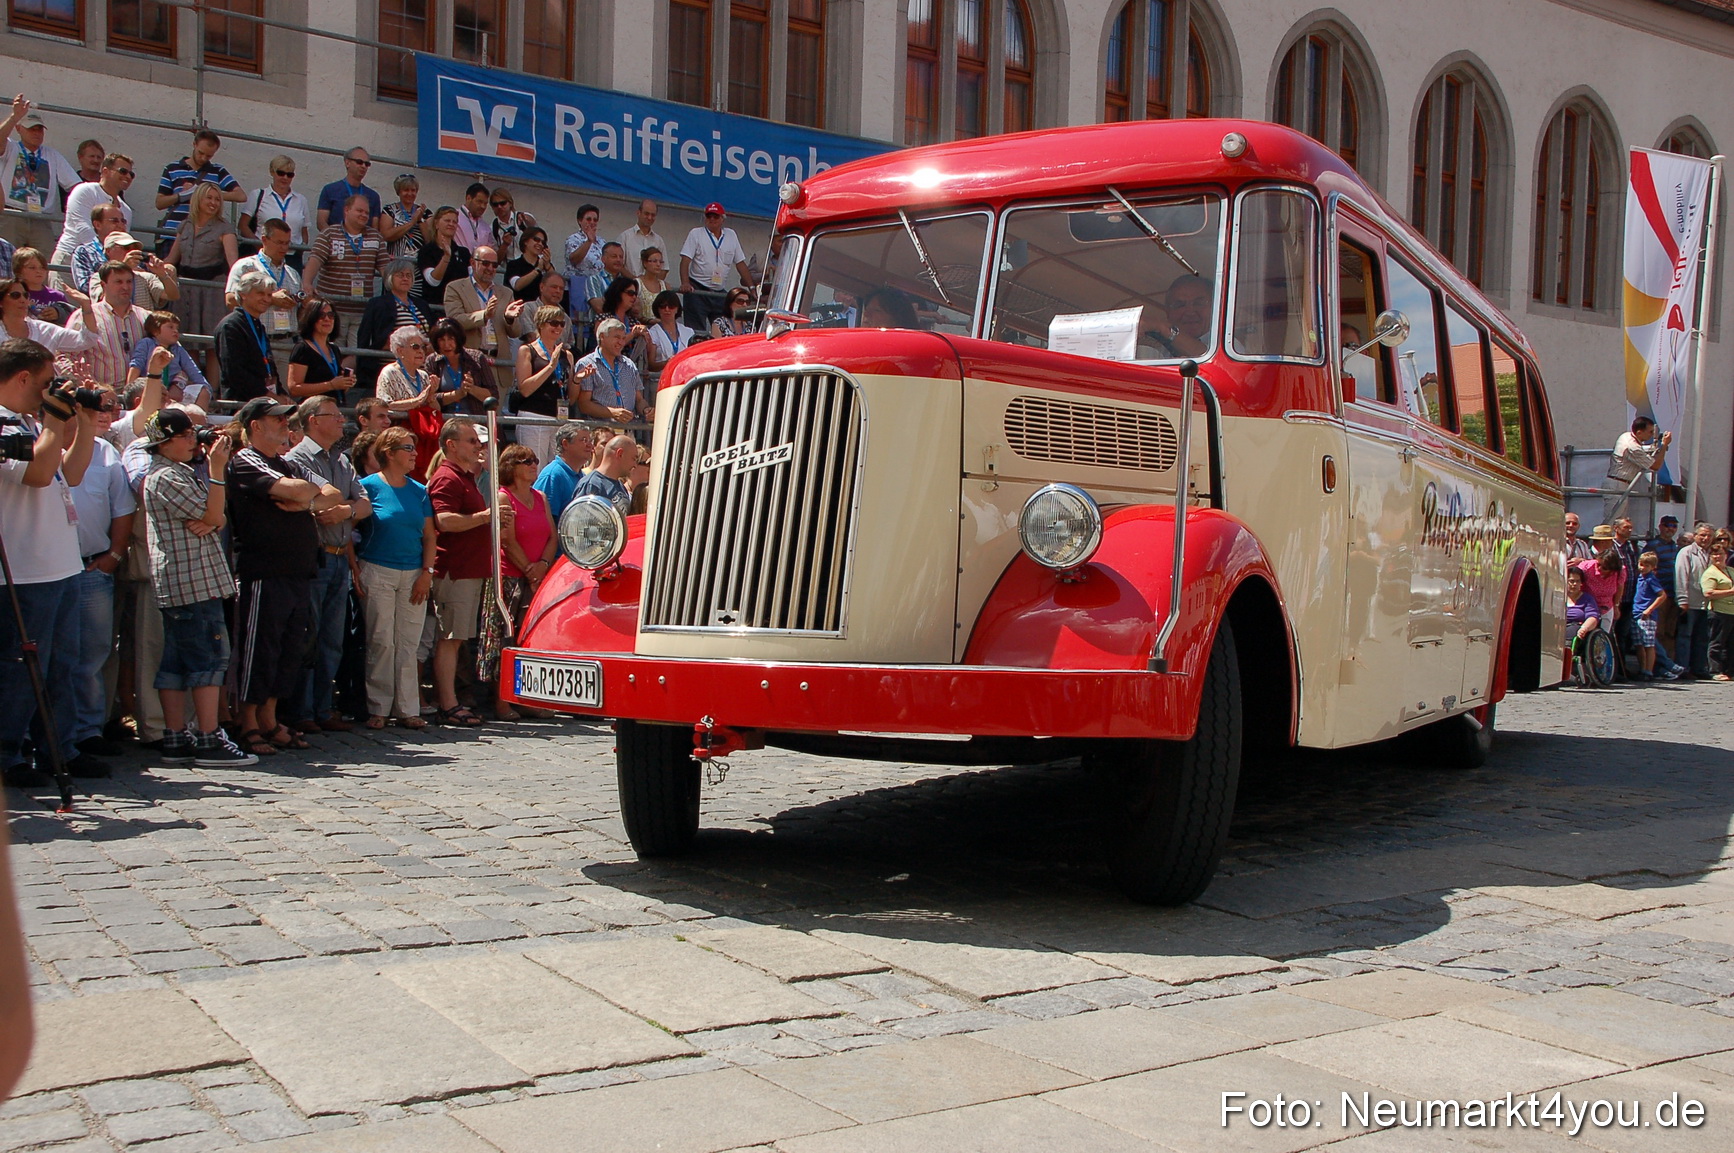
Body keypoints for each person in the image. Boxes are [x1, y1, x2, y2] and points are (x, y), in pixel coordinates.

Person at [0, 338, 104, 785]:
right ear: (23, 378)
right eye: (47, 383)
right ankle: (10, 755)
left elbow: (71, 471)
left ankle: (59, 749)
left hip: (61, 565)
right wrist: (51, 420)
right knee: (22, 671)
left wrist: (82, 420)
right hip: (24, 570)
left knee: (63, 667)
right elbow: (39, 474)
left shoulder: (31, 422)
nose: (52, 390)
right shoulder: (5, 427)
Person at [137, 409, 257, 766]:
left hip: (187, 580)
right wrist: (218, 471)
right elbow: (213, 516)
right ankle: (208, 737)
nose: (194, 441)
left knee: (175, 662)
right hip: (192, 582)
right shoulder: (166, 477)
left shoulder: (178, 473)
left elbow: (211, 516)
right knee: (209, 659)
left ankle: (176, 736)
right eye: (186, 436)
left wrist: (211, 509)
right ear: (165, 442)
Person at [227, 396, 346, 757]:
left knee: (289, 650)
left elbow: (332, 494)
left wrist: (303, 503)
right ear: (255, 427)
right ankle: (247, 722)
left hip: (298, 570)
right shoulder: (246, 460)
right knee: (260, 649)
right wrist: (306, 498)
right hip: (264, 571)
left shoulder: (283, 462)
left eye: (285, 419)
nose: (284, 425)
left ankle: (270, 718)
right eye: (276, 420)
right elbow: (302, 491)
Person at [285, 394, 371, 733]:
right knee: (308, 635)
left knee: (332, 639)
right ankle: (301, 710)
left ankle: (322, 708)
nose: (341, 420)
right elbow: (314, 505)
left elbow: (363, 505)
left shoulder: (341, 460)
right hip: (314, 557)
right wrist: (343, 505)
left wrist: (345, 511)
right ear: (312, 420)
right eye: (332, 415)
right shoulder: (295, 459)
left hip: (338, 559)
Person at [65, 384, 135, 759]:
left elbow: (122, 508)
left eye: (107, 406)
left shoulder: (105, 450)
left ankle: (88, 730)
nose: (100, 411)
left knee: (94, 654)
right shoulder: (35, 439)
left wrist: (114, 554)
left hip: (93, 564)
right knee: (47, 654)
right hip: (44, 568)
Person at [354, 425, 435, 728]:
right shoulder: (368, 486)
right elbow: (352, 532)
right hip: (378, 570)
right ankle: (379, 707)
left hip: (414, 572)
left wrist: (427, 572)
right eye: (408, 448)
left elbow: (429, 536)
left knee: (408, 642)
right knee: (381, 640)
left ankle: (408, 708)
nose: (415, 453)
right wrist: (354, 565)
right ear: (389, 453)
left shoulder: (419, 490)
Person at [480, 443, 557, 719]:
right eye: (526, 460)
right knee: (505, 638)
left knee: (529, 639)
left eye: (535, 460)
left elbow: (552, 535)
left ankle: (528, 696)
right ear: (510, 466)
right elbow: (507, 541)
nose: (533, 464)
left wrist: (543, 567)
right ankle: (502, 699)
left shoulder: (540, 497)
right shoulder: (504, 498)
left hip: (536, 578)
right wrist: (529, 570)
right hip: (510, 577)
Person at [428, 419, 492, 727]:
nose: (477, 445)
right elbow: (445, 521)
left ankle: (451, 701)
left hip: (469, 570)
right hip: (455, 570)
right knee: (450, 639)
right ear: (451, 445)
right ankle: (448, 704)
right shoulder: (447, 478)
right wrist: (484, 517)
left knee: (457, 640)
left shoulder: (463, 477)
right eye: (470, 440)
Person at [165, 181, 239, 345]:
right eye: (209, 198)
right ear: (198, 199)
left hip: (211, 291)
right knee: (187, 342)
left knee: (212, 343)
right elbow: (171, 259)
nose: (214, 203)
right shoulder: (185, 225)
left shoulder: (225, 228)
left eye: (217, 199)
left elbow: (234, 264)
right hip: (184, 290)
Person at [303, 193, 391, 330]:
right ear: (346, 210)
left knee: (356, 351)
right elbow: (315, 259)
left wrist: (396, 288)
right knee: (333, 350)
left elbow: (385, 268)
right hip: (332, 311)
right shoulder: (329, 234)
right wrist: (306, 283)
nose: (364, 215)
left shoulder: (376, 237)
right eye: (359, 211)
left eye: (367, 212)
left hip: (362, 311)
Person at [153, 128, 246, 258]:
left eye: (209, 156)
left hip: (202, 237)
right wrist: (181, 195)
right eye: (200, 153)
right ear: (194, 144)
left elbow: (240, 196)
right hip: (172, 234)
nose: (203, 158)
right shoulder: (172, 168)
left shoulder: (217, 171)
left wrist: (207, 193)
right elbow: (159, 203)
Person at [3, 103, 81, 247]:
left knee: (44, 262)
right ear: (19, 129)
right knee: (8, 261)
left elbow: (76, 186)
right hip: (11, 215)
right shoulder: (11, 147)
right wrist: (14, 117)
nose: (36, 133)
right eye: (31, 129)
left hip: (41, 218)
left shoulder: (52, 155)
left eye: (39, 129)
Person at [513, 306, 581, 463]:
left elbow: (571, 398)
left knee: (556, 470)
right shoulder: (527, 350)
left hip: (559, 418)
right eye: (553, 323)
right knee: (534, 469)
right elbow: (525, 389)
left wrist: (577, 379)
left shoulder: (567, 355)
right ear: (541, 324)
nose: (558, 328)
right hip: (534, 416)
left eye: (561, 324)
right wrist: (551, 366)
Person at [52, 151, 134, 277]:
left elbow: (121, 241)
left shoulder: (126, 210)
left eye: (131, 174)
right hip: (70, 259)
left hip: (105, 267)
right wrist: (104, 259)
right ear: (105, 171)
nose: (128, 176)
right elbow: (83, 229)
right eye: (123, 171)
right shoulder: (84, 191)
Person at [355, 258, 432, 392]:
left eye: (408, 275)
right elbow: (366, 337)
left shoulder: (421, 305)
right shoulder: (378, 304)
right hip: (393, 369)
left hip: (422, 370)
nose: (405, 279)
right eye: (400, 275)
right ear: (390, 278)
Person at [679, 203, 754, 332]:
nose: (712, 219)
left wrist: (752, 288)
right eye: (709, 216)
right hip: (697, 289)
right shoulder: (696, 233)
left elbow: (740, 264)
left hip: (719, 292)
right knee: (695, 332)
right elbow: (685, 260)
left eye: (716, 216)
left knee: (724, 329)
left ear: (722, 219)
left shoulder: (731, 235)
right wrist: (685, 283)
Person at [224, 219, 302, 341]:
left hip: (288, 342)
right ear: (264, 240)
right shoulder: (246, 266)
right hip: (255, 339)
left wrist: (307, 302)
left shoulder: (293, 274)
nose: (284, 248)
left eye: (287, 243)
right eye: (279, 242)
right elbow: (230, 300)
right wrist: (272, 299)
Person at [213, 270, 286, 401]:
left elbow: (269, 367)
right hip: (241, 404)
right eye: (260, 293)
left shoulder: (258, 326)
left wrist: (281, 394)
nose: (266, 299)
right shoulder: (231, 326)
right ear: (243, 294)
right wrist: (269, 396)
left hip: (264, 401)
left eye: (269, 295)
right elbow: (235, 372)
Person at [442, 244, 515, 359]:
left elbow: (516, 332)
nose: (490, 268)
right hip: (470, 361)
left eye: (494, 265)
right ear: (472, 263)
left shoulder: (506, 293)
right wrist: (484, 315)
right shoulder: (455, 288)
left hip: (499, 364)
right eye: (485, 263)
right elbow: (454, 321)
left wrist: (509, 319)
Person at [2, 272, 97, 360]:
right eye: (15, 295)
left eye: (25, 295)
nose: (23, 300)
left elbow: (86, 340)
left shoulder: (44, 330)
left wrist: (86, 306)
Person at [239, 156, 313, 268]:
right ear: (272, 172)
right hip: (263, 254)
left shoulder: (301, 200)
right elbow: (243, 225)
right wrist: (258, 244)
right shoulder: (258, 195)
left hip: (291, 257)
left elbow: (304, 231)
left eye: (289, 174)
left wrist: (300, 250)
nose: (285, 177)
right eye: (281, 173)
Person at [127, 311, 210, 407]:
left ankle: (197, 420)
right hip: (150, 389)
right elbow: (136, 365)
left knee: (203, 392)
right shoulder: (146, 344)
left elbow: (193, 371)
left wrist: (205, 387)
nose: (175, 331)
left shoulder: (178, 349)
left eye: (177, 328)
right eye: (170, 327)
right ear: (155, 330)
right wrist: (129, 391)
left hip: (174, 393)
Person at [578, 318, 648, 427]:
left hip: (627, 432)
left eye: (623, 338)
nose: (621, 342)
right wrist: (612, 413)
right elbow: (584, 404)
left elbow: (639, 399)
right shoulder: (587, 364)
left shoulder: (629, 365)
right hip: (600, 433)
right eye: (616, 337)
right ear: (602, 337)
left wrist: (646, 410)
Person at [286, 299, 355, 402]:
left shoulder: (334, 349)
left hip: (334, 407)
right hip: (313, 410)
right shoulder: (303, 348)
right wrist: (330, 385)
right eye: (321, 315)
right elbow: (294, 388)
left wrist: (346, 382)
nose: (327, 319)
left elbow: (338, 388)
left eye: (331, 315)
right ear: (311, 318)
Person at [1604, 416, 1671, 523]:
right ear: (1639, 433)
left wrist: (1654, 447)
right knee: (1613, 520)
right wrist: (1663, 446)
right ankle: (1605, 539)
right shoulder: (1633, 448)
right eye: (1650, 432)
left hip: (1620, 483)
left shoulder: (1625, 436)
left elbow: (1641, 449)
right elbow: (1655, 466)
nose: (1651, 435)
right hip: (1618, 484)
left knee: (1620, 521)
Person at [428, 317, 498, 416]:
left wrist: (471, 388)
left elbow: (494, 395)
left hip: (476, 421)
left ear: (458, 339)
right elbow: (429, 397)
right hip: (445, 422)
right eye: (442, 340)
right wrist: (458, 394)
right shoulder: (432, 361)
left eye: (451, 339)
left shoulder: (476, 358)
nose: (446, 344)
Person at [93, 231, 180, 311]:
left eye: (135, 248)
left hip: (140, 326)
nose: (131, 251)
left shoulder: (146, 277)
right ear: (108, 251)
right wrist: (124, 267)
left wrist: (162, 274)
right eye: (126, 247)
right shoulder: (98, 277)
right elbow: (101, 301)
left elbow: (173, 296)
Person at [1676, 521, 1716, 678]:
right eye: (1702, 535)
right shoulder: (1686, 552)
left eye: (1709, 536)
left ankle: (1699, 668)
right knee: (1685, 636)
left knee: (1702, 638)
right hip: (1689, 602)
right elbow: (1681, 576)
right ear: (1695, 536)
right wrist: (1682, 599)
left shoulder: (1711, 553)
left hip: (1706, 604)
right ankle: (1683, 668)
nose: (1705, 538)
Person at [67, 203, 130, 298]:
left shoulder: (132, 248)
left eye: (123, 221)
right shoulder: (84, 252)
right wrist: (122, 268)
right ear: (98, 225)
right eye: (114, 221)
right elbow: (85, 286)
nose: (121, 225)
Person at [533, 423, 591, 522]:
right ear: (565, 444)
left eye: (590, 441)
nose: (590, 445)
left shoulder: (582, 476)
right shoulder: (553, 475)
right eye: (584, 440)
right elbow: (545, 519)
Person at [1631, 552, 1675, 681]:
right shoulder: (1640, 577)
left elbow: (1662, 595)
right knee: (1639, 644)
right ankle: (1642, 668)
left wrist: (1649, 610)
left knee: (1648, 645)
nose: (1642, 567)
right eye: (1641, 564)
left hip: (1647, 616)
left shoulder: (1651, 579)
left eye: (1646, 565)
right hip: (1636, 613)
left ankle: (1648, 670)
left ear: (1653, 567)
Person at [417, 206, 470, 310]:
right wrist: (446, 257)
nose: (451, 224)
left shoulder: (464, 252)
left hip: (459, 308)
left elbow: (471, 281)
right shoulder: (427, 251)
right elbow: (433, 281)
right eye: (447, 220)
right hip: (435, 307)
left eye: (454, 222)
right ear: (436, 224)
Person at [571, 433, 636, 517]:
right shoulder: (591, 484)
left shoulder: (621, 487)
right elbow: (579, 523)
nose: (635, 465)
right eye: (633, 459)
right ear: (620, 454)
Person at [316, 148, 381, 231]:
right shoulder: (330, 190)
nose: (363, 166)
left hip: (361, 243)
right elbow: (321, 222)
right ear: (347, 163)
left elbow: (374, 228)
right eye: (359, 162)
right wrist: (335, 239)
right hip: (336, 242)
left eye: (367, 164)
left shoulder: (373, 196)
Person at [1151, 273, 1213, 357]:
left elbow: (1210, 358)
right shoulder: (1161, 351)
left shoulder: (1229, 347)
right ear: (1168, 312)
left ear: (1214, 308)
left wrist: (1160, 327)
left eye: (1198, 303)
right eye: (1180, 305)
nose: (1190, 312)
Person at [564, 203, 605, 324]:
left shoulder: (602, 242)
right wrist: (588, 242)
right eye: (588, 219)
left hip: (597, 289)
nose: (592, 222)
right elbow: (574, 259)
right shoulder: (573, 239)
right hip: (578, 288)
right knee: (579, 324)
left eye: (595, 220)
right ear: (579, 221)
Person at [13, 247, 74, 325]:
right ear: (18, 271)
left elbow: (69, 319)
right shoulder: (14, 294)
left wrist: (58, 314)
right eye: (32, 268)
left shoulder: (57, 295)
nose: (39, 271)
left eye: (42, 267)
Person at [645, 289, 692, 385]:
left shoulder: (688, 332)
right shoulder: (652, 332)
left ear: (677, 309)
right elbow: (651, 365)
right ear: (657, 309)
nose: (667, 309)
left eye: (671, 306)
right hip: (659, 382)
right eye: (663, 306)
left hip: (683, 381)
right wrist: (667, 363)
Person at [380, 172, 430, 259]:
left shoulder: (425, 212)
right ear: (398, 192)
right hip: (396, 261)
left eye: (413, 190)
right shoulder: (389, 210)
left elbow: (430, 241)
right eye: (406, 190)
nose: (410, 194)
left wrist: (420, 220)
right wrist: (411, 223)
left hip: (418, 263)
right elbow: (386, 235)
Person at [1565, 566, 1601, 681]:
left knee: (1570, 635)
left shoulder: (1587, 599)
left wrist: (1584, 628)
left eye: (1577, 581)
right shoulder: (1558, 596)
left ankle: (1566, 670)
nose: (1574, 584)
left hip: (1577, 626)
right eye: (1571, 581)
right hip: (1558, 625)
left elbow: (1593, 617)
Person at [1704, 541, 1734, 680]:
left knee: (1730, 642)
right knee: (1717, 641)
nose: (1717, 557)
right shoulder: (1710, 573)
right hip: (1718, 611)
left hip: (1732, 611)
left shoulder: (1730, 570)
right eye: (1714, 554)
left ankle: (1730, 670)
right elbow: (1708, 593)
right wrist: (1730, 591)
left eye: (1720, 554)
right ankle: (1714, 670)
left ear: (1726, 555)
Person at [505, 227, 559, 303]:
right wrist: (537, 270)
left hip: (542, 310)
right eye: (536, 240)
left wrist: (547, 266)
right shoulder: (514, 264)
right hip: (521, 308)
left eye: (543, 242)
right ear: (525, 241)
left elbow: (556, 284)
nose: (540, 244)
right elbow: (517, 285)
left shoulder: (546, 265)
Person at [617, 199, 665, 278]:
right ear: (638, 213)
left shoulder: (659, 241)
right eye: (646, 214)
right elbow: (620, 266)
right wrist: (636, 283)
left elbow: (664, 269)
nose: (649, 217)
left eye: (653, 215)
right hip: (630, 286)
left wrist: (652, 285)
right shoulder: (625, 237)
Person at [488, 187, 535, 255]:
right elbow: (496, 259)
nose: (499, 207)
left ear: (510, 203)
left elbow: (535, 228)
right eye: (495, 205)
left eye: (503, 203)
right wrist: (505, 245)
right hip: (508, 264)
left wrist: (526, 218)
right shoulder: (493, 228)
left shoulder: (522, 217)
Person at [454, 182, 492, 253]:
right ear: (468, 198)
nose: (483, 206)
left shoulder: (486, 227)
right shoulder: (454, 217)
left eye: (485, 203)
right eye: (479, 202)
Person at [635, 248, 670, 320]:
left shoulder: (665, 286)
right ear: (645, 263)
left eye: (661, 262)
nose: (658, 264)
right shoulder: (637, 284)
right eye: (654, 261)